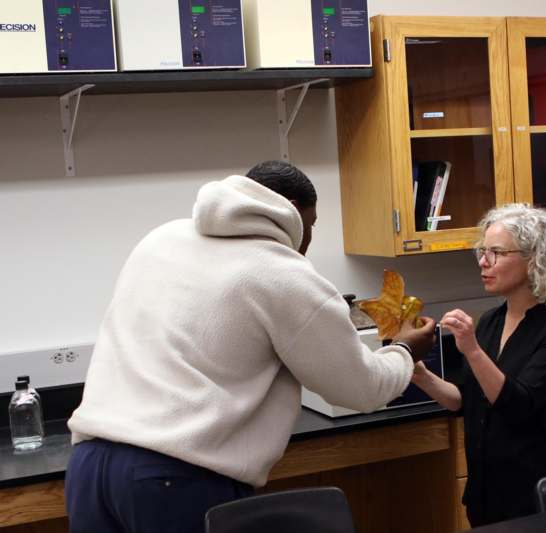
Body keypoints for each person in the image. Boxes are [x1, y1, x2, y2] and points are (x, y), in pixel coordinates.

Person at [65, 160, 436, 533]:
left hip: (88, 468)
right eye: (312, 224)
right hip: (173, 478)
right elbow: (362, 389)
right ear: (289, 208)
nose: (306, 241)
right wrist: (403, 350)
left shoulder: (161, 239)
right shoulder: (284, 273)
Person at [411, 203, 546, 527]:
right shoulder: (490, 321)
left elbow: (517, 406)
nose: (484, 263)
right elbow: (464, 398)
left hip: (533, 497)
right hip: (485, 493)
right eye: (482, 252)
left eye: (497, 253)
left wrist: (472, 349)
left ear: (534, 260)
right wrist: (420, 374)